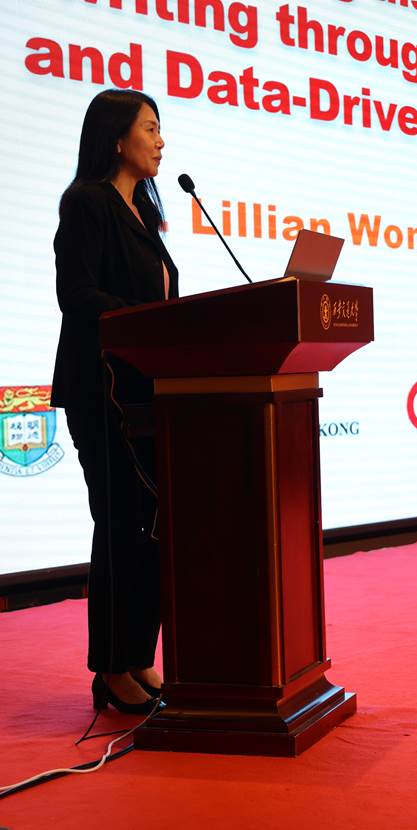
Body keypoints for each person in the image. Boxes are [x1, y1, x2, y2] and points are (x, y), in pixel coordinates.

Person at [51, 89, 179, 714]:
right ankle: (109, 668)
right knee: (119, 522)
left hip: (148, 391)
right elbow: (76, 295)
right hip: (101, 390)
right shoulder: (87, 202)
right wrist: (148, 323)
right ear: (117, 137)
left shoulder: (145, 215)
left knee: (153, 525)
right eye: (150, 128)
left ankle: (137, 656)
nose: (160, 141)